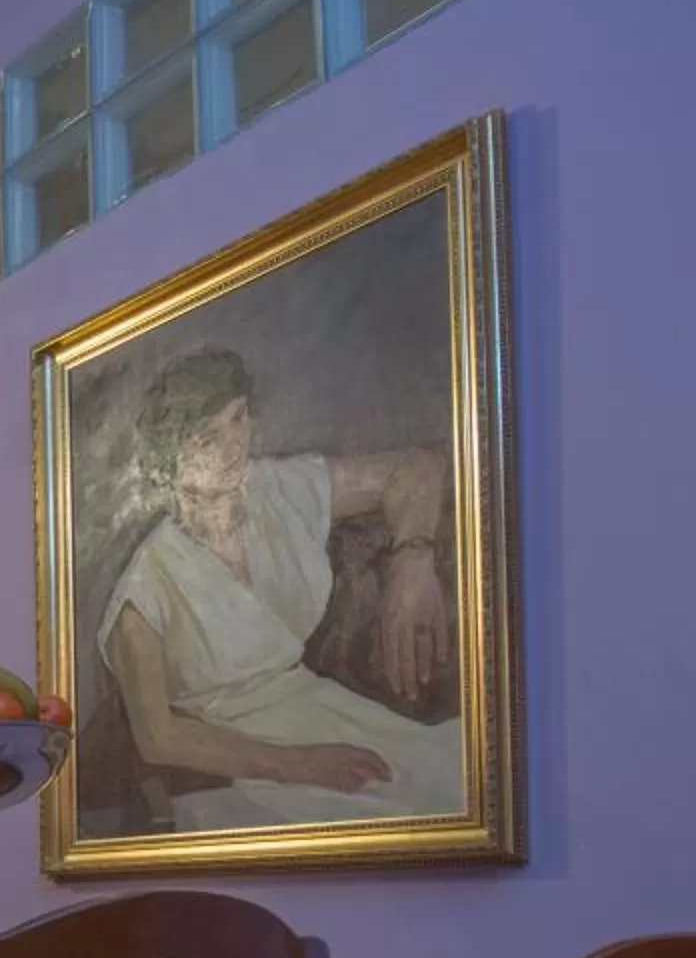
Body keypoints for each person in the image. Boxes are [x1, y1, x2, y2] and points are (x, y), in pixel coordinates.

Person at [97, 346, 462, 832]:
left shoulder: (276, 489)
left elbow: (418, 467)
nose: (235, 447)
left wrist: (412, 563)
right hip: (231, 762)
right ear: (171, 461)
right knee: (391, 815)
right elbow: (159, 738)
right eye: (209, 438)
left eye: (239, 418)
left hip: (327, 709)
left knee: (454, 774)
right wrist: (300, 764)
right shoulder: (146, 585)